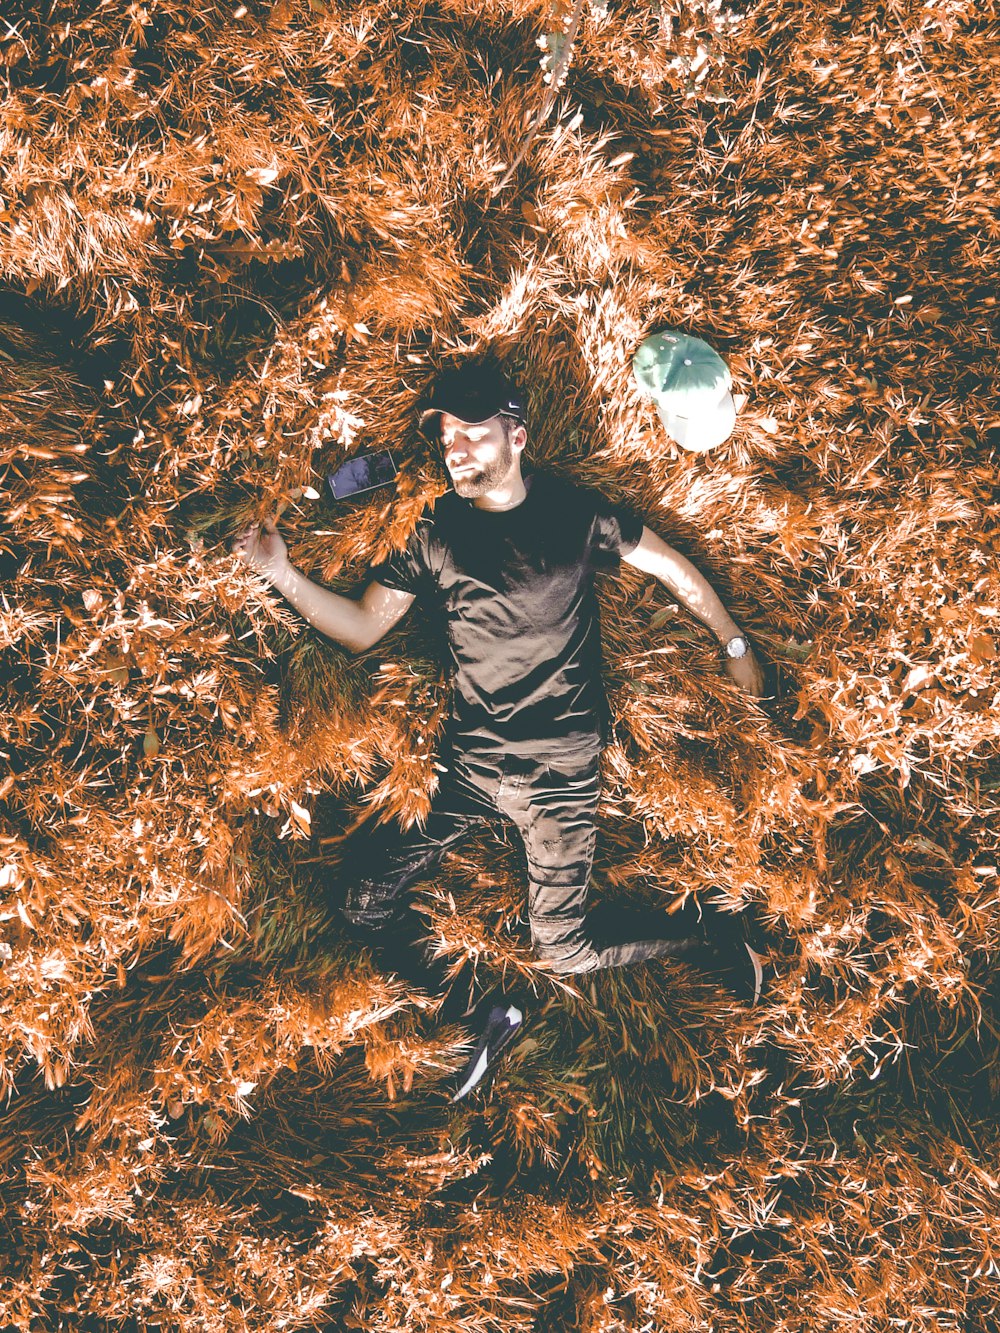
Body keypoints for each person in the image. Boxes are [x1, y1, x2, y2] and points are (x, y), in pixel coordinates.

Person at [233, 361, 768, 1100]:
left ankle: (713, 934)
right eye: (447, 436)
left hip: (561, 777)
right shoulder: (435, 534)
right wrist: (278, 573)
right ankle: (482, 1016)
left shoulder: (577, 515)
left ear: (516, 436)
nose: (456, 449)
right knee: (360, 902)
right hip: (469, 775)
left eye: (473, 433)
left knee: (565, 948)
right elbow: (360, 628)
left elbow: (670, 569)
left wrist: (734, 641)